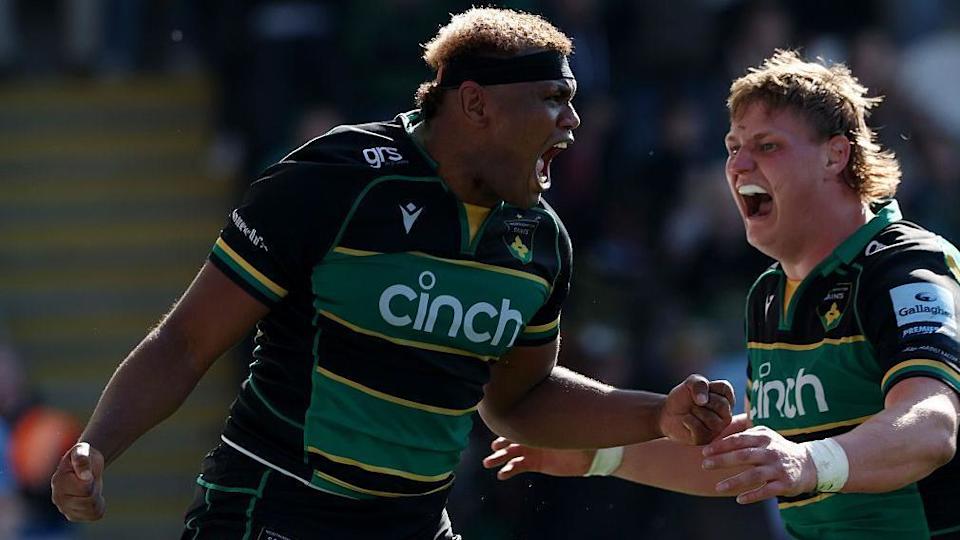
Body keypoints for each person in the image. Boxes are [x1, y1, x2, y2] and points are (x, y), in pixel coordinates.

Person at [49, 8, 734, 539]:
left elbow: (519, 402)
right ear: (475, 105)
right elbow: (186, 342)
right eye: (554, 97)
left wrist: (658, 414)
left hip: (414, 523)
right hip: (277, 509)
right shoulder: (337, 179)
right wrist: (96, 445)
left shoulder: (541, 239)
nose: (574, 120)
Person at [483, 49, 960, 539]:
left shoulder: (902, 263)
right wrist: (599, 453)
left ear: (834, 155)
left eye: (767, 145)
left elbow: (932, 423)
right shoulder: (770, 294)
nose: (738, 164)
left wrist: (808, 462)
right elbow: (753, 457)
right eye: (733, 147)